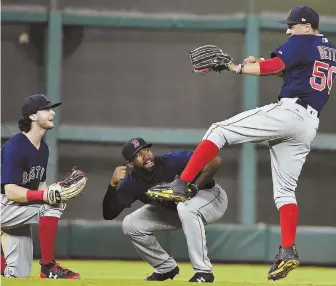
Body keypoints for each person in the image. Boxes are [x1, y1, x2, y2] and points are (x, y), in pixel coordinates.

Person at [147, 6, 336, 281]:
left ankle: (182, 184)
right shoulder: (327, 49)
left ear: (307, 26)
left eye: (293, 25)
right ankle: (287, 250)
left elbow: (274, 66)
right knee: (285, 192)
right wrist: (254, 62)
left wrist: (235, 67)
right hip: (309, 124)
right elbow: (294, 72)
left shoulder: (302, 40)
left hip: (290, 112)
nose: (289, 29)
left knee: (218, 131)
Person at [102, 137, 228, 283]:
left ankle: (203, 272)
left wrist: (193, 188)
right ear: (130, 164)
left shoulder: (173, 161)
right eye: (138, 155)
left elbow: (215, 160)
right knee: (130, 224)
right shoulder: (132, 183)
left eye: (147, 150)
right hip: (177, 210)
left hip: (211, 198)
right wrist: (113, 184)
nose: (146, 155)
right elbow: (109, 214)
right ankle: (165, 268)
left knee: (185, 207)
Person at [1, 94, 80, 279]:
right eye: (46, 109)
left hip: (14, 208)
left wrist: (58, 192)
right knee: (51, 205)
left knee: (17, 275)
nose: (52, 112)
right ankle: (48, 266)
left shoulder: (43, 148)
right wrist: (48, 197)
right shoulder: (16, 146)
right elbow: (11, 191)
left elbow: (41, 186)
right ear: (32, 116)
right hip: (4, 203)